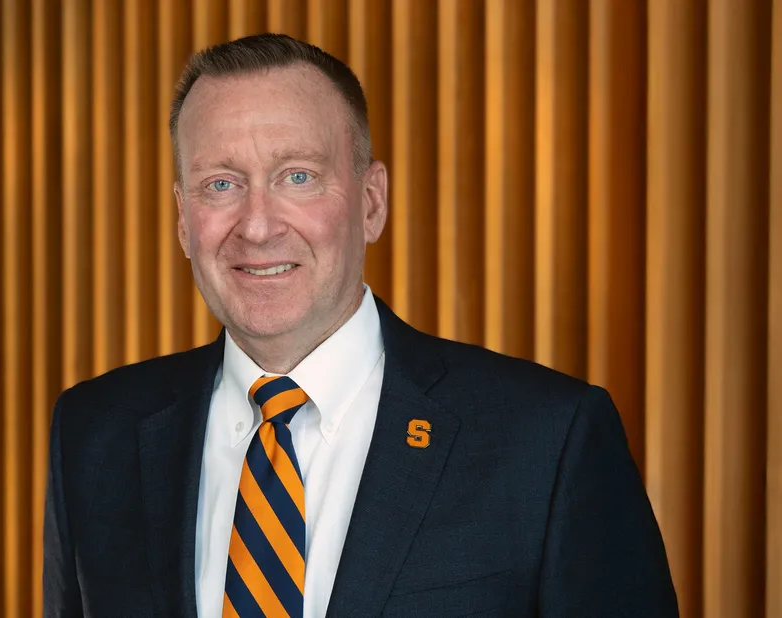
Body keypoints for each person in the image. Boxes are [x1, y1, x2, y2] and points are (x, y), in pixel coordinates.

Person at [43, 33, 677, 617]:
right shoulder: (94, 433)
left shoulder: (548, 440)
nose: (257, 226)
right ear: (184, 220)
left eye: (297, 176)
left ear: (371, 203)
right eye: (221, 184)